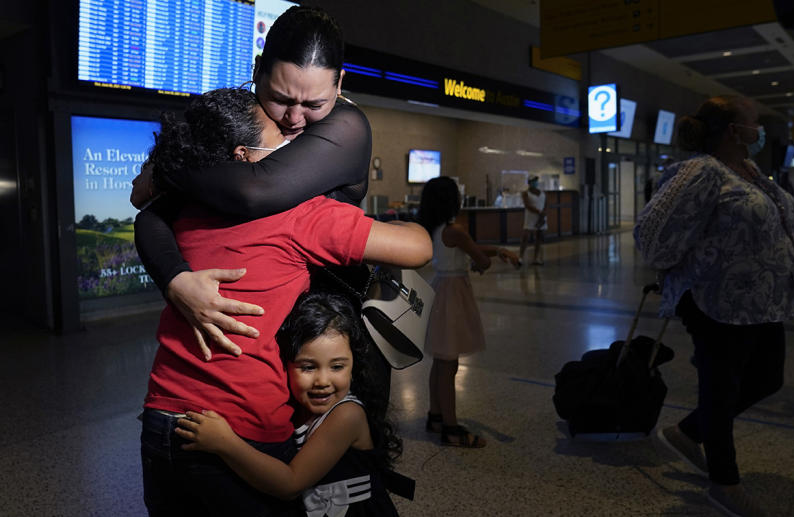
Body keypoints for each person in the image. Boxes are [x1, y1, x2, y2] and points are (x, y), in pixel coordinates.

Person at [138, 87, 432, 516]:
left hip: (162, 420)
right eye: (279, 138)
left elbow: (146, 214)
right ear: (244, 158)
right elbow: (419, 247)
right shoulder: (299, 215)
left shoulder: (183, 210)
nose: (294, 145)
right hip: (242, 430)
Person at [133, 6, 371, 358]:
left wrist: (167, 167)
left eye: (314, 103)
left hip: (321, 341)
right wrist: (176, 280)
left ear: (339, 84)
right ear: (257, 70)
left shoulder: (347, 128)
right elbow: (152, 215)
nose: (294, 118)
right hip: (243, 345)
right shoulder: (239, 124)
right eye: (280, 98)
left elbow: (255, 191)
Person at [634, 95, 794, 517]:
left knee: (766, 378)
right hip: (716, 301)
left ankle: (688, 432)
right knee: (721, 387)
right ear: (733, 130)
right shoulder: (700, 171)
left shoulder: (747, 169)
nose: (759, 128)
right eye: (754, 122)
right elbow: (652, 234)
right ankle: (724, 485)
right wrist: (684, 268)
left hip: (759, 302)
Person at [176, 291, 401, 516]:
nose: (322, 381)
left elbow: (290, 484)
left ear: (354, 365)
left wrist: (225, 443)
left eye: (337, 367)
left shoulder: (347, 415)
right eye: (308, 367)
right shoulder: (295, 408)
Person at [417, 176, 521, 448]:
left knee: (441, 360)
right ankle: (451, 429)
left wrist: (498, 251)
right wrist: (487, 260)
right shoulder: (456, 230)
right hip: (454, 294)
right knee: (449, 363)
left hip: (441, 288)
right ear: (452, 200)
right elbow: (478, 257)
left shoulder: (437, 228)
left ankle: (435, 416)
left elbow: (468, 249)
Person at [520, 175, 546, 265]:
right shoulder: (525, 193)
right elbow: (527, 205)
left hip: (541, 217)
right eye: (533, 181)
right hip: (530, 217)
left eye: (536, 181)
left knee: (539, 237)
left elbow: (546, 205)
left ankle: (536, 258)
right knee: (525, 237)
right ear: (529, 183)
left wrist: (543, 215)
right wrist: (539, 211)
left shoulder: (542, 193)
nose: (535, 183)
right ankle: (521, 257)